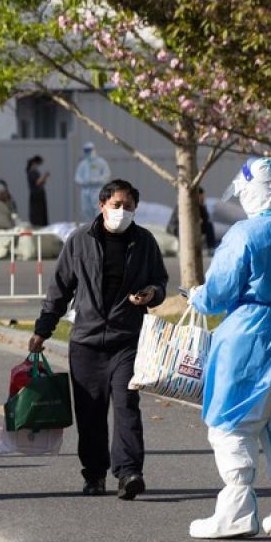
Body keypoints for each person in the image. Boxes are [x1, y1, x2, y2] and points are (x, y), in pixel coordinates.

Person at [187, 158, 271, 539]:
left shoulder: (245, 233)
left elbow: (217, 294)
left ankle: (236, 511)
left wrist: (198, 297)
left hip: (253, 334)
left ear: (250, 190)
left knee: (231, 422)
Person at [29, 180, 167, 499]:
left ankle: (129, 472)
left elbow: (159, 281)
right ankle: (94, 474)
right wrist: (42, 330)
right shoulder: (79, 240)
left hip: (127, 339)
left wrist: (151, 294)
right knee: (90, 413)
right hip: (87, 343)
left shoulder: (144, 241)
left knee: (127, 406)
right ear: (102, 205)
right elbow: (60, 289)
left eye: (129, 206)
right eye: (116, 205)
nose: (122, 211)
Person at [74, 141, 111, 223]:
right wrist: (83, 182)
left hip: (97, 190)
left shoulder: (101, 162)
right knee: (86, 210)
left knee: (98, 208)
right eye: (86, 150)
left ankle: (99, 227)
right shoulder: (83, 164)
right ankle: (89, 227)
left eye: (89, 150)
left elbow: (106, 175)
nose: (88, 152)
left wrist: (97, 181)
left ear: (94, 150)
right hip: (85, 190)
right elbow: (77, 177)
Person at [26, 156, 49, 227]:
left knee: (42, 213)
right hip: (36, 196)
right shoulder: (32, 172)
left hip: (39, 195)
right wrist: (45, 176)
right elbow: (37, 182)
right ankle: (37, 225)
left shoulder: (35, 172)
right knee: (37, 214)